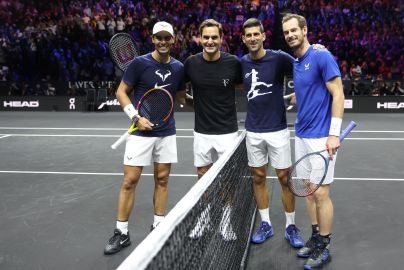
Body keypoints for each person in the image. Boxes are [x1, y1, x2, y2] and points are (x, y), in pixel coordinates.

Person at [104, 21, 186, 255]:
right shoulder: (139, 63)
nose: (162, 41)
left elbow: (180, 97)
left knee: (162, 180)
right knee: (129, 181)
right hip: (140, 132)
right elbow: (121, 92)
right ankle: (122, 232)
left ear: (173, 40)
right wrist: (135, 117)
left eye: (166, 38)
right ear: (153, 39)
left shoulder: (179, 67)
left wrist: (206, 99)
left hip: (166, 132)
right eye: (158, 37)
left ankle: (158, 227)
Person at [282, 14, 345, 269]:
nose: (290, 35)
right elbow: (311, 87)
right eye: (286, 32)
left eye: (294, 30)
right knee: (308, 191)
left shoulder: (321, 56)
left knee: (321, 193)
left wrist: (334, 133)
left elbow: (338, 93)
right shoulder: (297, 61)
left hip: (321, 136)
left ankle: (325, 246)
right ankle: (316, 236)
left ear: (305, 30)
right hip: (302, 134)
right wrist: (296, 96)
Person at [240, 18, 304, 248]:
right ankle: (265, 223)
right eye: (249, 35)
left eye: (257, 34)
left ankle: (290, 226)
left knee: (284, 179)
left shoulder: (278, 58)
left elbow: (304, 62)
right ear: (244, 39)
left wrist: (297, 91)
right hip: (253, 131)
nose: (253, 38)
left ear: (263, 36)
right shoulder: (243, 63)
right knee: (258, 177)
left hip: (277, 129)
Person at [184, 19, 242, 241]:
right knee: (202, 177)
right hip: (202, 132)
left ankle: (225, 221)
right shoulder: (191, 63)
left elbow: (242, 84)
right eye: (206, 37)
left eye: (214, 37)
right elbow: (181, 95)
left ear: (221, 39)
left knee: (227, 180)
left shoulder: (233, 63)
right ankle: (205, 217)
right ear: (200, 38)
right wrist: (198, 106)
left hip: (227, 132)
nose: (210, 41)